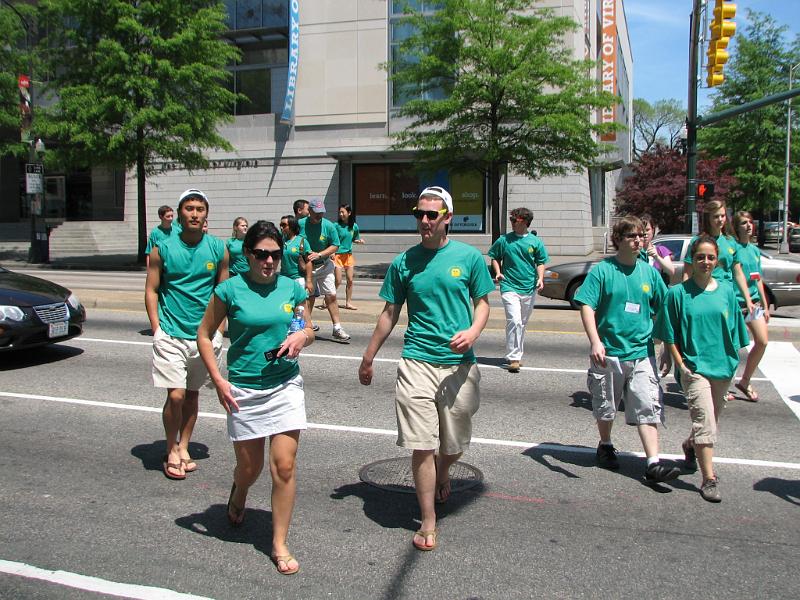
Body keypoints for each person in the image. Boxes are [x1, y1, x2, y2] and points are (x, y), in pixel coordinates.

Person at [358, 186, 494, 552]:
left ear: (448, 218)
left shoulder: (468, 258)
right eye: (419, 213)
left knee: (454, 443)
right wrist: (369, 356)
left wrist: (473, 331)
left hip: (458, 366)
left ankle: (445, 469)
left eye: (432, 215)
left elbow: (483, 303)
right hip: (416, 359)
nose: (424, 221)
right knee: (421, 445)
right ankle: (428, 518)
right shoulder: (405, 262)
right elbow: (389, 313)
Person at [197, 220, 314, 575]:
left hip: (284, 385)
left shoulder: (292, 289)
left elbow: (306, 326)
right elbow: (204, 335)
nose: (269, 261)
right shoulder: (229, 291)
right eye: (261, 254)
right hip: (244, 389)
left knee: (284, 466)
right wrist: (218, 380)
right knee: (251, 468)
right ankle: (240, 491)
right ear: (247, 254)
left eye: (275, 255)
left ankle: (278, 543)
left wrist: (301, 339)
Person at [574, 216, 680, 485]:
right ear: (618, 240)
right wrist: (595, 341)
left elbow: (664, 311)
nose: (638, 241)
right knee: (606, 406)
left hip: (642, 352)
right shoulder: (603, 271)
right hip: (609, 353)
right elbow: (586, 304)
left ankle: (653, 463)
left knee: (648, 405)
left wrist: (667, 348)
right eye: (632, 236)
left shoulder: (650, 273)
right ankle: (606, 443)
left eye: (641, 236)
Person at [656, 235, 749, 502]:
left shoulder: (727, 291)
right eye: (700, 257)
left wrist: (734, 366)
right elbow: (669, 333)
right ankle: (709, 479)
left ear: (716, 259)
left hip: (723, 367)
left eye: (710, 257)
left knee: (710, 422)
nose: (705, 262)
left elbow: (736, 333)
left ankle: (689, 445)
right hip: (694, 369)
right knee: (705, 422)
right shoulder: (678, 294)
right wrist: (681, 365)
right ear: (691, 260)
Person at [144, 189, 229, 480]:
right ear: (180, 213)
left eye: (200, 209)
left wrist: (219, 330)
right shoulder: (162, 249)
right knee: (176, 395)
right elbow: (152, 289)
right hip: (170, 333)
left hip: (204, 337)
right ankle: (170, 448)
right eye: (189, 208)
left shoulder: (218, 248)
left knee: (192, 395)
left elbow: (223, 291)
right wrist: (156, 328)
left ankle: (184, 445)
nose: (194, 213)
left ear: (206, 214)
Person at [488, 207, 549, 373]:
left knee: (522, 322)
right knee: (514, 320)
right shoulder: (504, 240)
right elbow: (495, 256)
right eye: (512, 220)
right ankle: (513, 357)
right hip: (509, 286)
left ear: (526, 222)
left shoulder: (535, 242)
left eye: (516, 220)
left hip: (529, 287)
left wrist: (540, 278)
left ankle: (517, 354)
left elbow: (541, 262)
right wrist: (499, 272)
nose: (513, 223)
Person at [298, 198, 350, 341]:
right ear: (309, 211)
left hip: (324, 265)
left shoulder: (329, 226)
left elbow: (335, 245)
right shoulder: (300, 225)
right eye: (316, 213)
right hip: (307, 268)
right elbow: (291, 241)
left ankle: (337, 327)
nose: (319, 216)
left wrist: (320, 254)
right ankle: (306, 326)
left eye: (321, 213)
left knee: (331, 295)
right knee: (308, 297)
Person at [731, 211, 770, 402]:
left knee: (762, 342)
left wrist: (765, 304)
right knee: (733, 346)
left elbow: (757, 278)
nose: (748, 225)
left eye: (750, 222)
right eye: (744, 223)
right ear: (736, 227)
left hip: (754, 304)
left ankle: (745, 380)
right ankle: (724, 385)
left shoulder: (754, 250)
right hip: (736, 303)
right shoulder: (733, 248)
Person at [334, 204, 365, 310]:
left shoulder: (354, 226)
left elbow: (354, 238)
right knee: (338, 281)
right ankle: (328, 299)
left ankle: (348, 303)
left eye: (343, 212)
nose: (341, 214)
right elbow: (331, 240)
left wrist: (359, 241)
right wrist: (331, 253)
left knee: (350, 280)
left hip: (348, 255)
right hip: (337, 255)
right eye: (340, 212)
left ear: (349, 213)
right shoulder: (336, 226)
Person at [279, 215, 312, 295]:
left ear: (292, 226)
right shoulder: (280, 241)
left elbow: (308, 262)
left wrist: (308, 281)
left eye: (284, 225)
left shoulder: (301, 241)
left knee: (300, 305)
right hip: (284, 278)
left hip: (298, 279)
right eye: (280, 225)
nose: (281, 227)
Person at [639, 214, 675, 279]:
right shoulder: (635, 251)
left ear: (653, 230)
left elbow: (671, 271)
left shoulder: (661, 250)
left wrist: (657, 257)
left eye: (647, 230)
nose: (645, 233)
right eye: (642, 230)